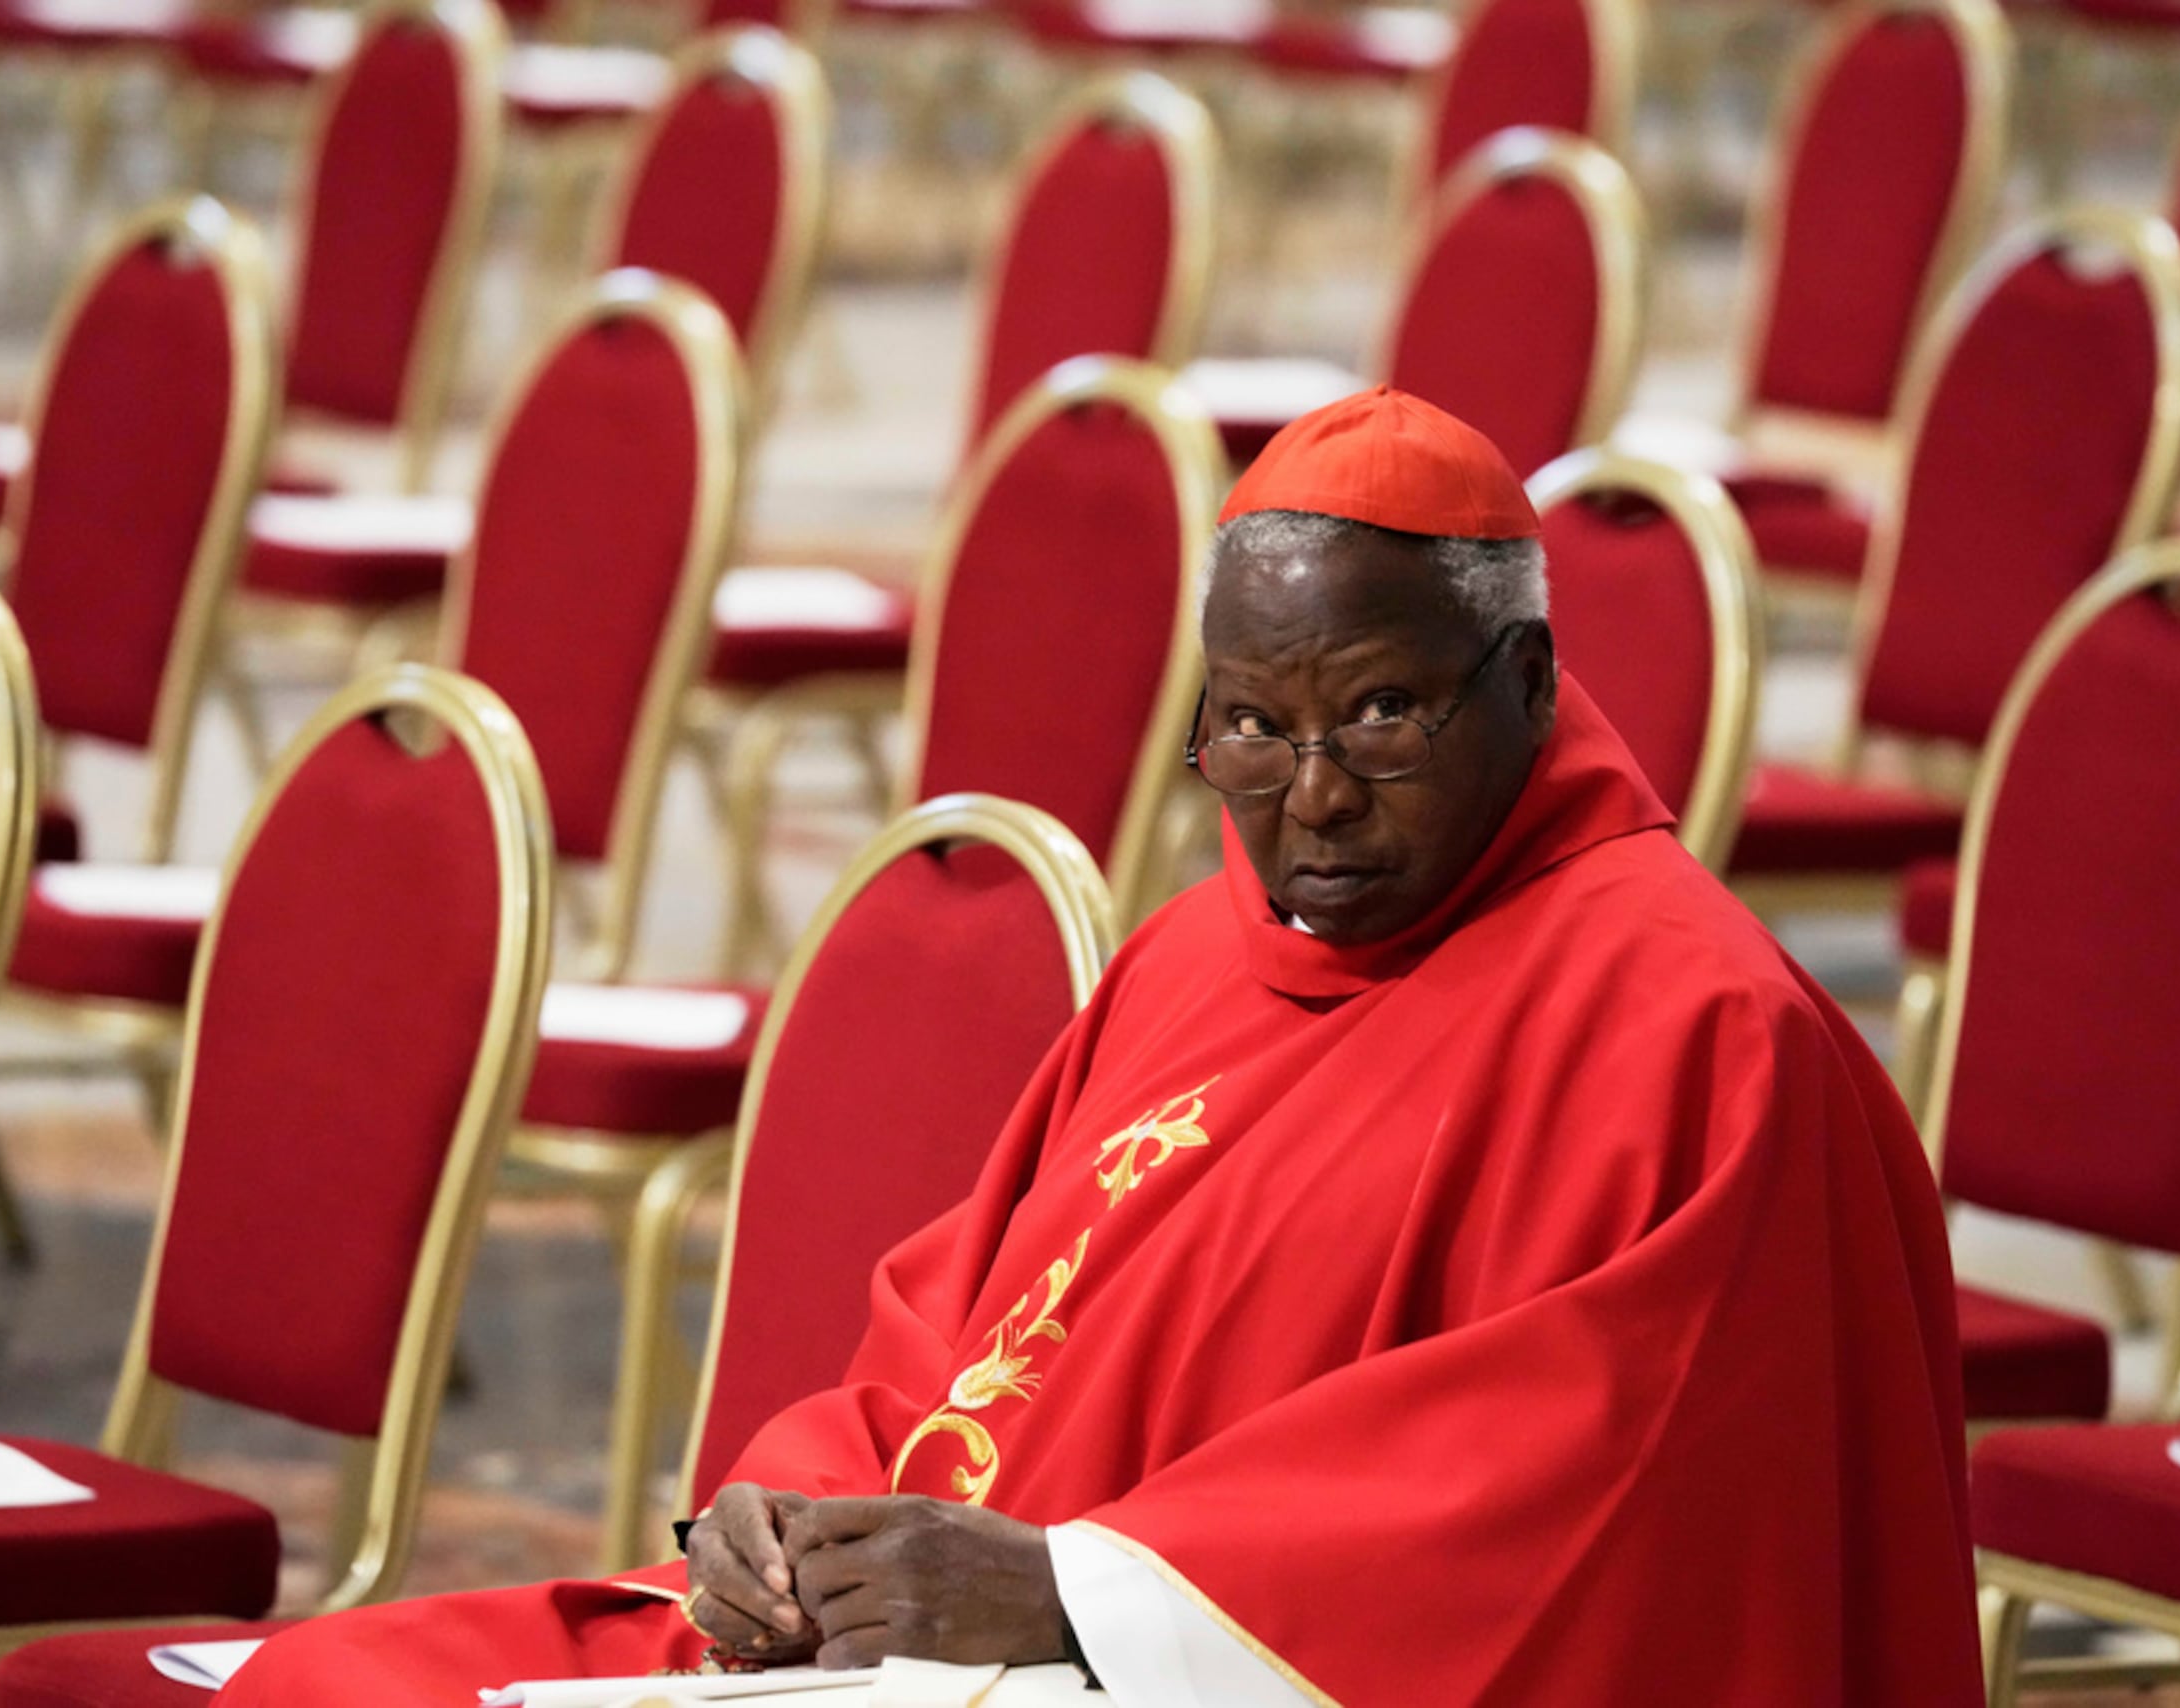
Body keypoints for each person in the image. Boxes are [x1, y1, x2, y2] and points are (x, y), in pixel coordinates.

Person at [219, 388, 1982, 1704]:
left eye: (1379, 712)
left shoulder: (1698, 1030)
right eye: (1249, 725)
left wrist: (1082, 1598)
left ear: (1527, 682)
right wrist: (790, 1518)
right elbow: (960, 1343)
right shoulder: (1195, 958)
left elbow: (1599, 1525)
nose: (1308, 796)